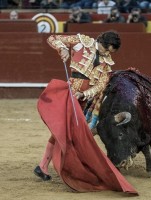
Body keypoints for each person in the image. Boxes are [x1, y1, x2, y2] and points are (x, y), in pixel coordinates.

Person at [34, 31, 121, 181]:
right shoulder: (82, 42)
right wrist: (62, 48)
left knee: (66, 132)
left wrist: (85, 94)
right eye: (106, 49)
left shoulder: (107, 63)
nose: (107, 54)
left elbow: (101, 85)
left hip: (81, 99)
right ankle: (47, 165)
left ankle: (45, 166)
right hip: (70, 92)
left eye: (110, 52)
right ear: (102, 42)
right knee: (62, 131)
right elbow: (52, 38)